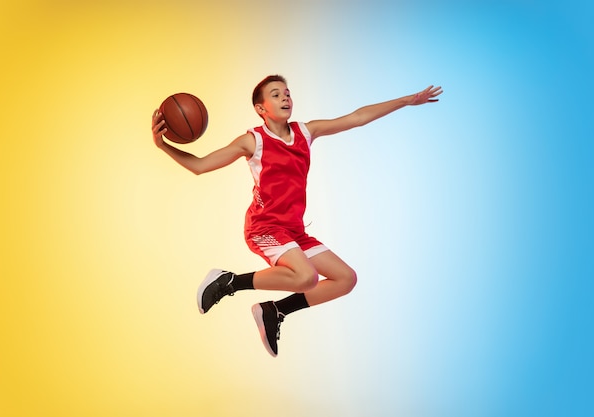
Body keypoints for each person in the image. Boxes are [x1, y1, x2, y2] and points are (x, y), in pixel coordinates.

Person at [151, 75, 442, 357]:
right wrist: (163, 145)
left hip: (294, 231)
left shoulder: (306, 131)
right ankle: (229, 282)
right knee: (307, 276)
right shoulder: (252, 141)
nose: (285, 97)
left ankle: (276, 311)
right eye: (276, 95)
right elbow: (200, 165)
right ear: (261, 109)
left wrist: (407, 100)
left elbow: (357, 117)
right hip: (264, 227)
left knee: (345, 279)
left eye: (287, 93)